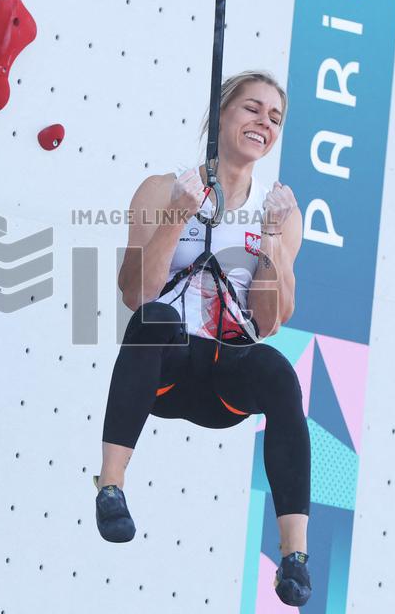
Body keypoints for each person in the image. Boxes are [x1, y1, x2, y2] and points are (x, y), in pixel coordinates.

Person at [94, 70, 312, 606]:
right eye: (252, 109)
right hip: (164, 368)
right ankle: (111, 486)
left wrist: (272, 249)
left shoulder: (280, 210)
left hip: (224, 383)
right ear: (222, 114)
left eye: (275, 117)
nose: (264, 122)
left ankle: (294, 556)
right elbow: (134, 294)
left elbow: (269, 321)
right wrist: (175, 217)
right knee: (156, 321)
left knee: (278, 370)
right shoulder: (161, 188)